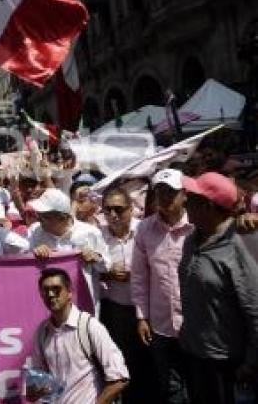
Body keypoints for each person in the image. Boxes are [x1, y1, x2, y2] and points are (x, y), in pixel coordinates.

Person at [179, 172, 258, 403]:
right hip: (195, 354)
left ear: (207, 206)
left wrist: (251, 364)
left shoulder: (241, 243)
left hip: (227, 363)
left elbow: (254, 310)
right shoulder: (191, 240)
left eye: (191, 198)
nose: (184, 201)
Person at [130, 168, 192, 403]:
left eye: (171, 192)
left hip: (195, 323)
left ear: (184, 194)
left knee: (200, 382)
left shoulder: (197, 225)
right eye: (160, 192)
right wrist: (142, 317)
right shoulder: (145, 229)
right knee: (171, 386)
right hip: (161, 324)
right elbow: (139, 277)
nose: (165, 198)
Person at [27, 268, 129, 404]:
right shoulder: (41, 333)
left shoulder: (89, 326)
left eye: (56, 289)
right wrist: (34, 390)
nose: (51, 294)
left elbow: (120, 378)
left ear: (69, 292)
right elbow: (35, 390)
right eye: (45, 290)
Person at [98, 187, 152, 402]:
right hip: (116, 310)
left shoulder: (145, 231)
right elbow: (89, 272)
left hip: (148, 310)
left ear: (131, 210)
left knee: (148, 362)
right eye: (107, 210)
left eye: (118, 210)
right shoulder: (98, 236)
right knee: (122, 362)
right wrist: (108, 273)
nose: (112, 215)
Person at [28, 188, 109, 302]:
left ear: (62, 217)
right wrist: (34, 254)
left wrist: (95, 258)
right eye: (38, 214)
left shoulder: (90, 232)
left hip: (83, 302)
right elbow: (29, 268)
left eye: (44, 216)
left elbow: (106, 267)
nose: (39, 219)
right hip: (48, 302)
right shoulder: (35, 231)